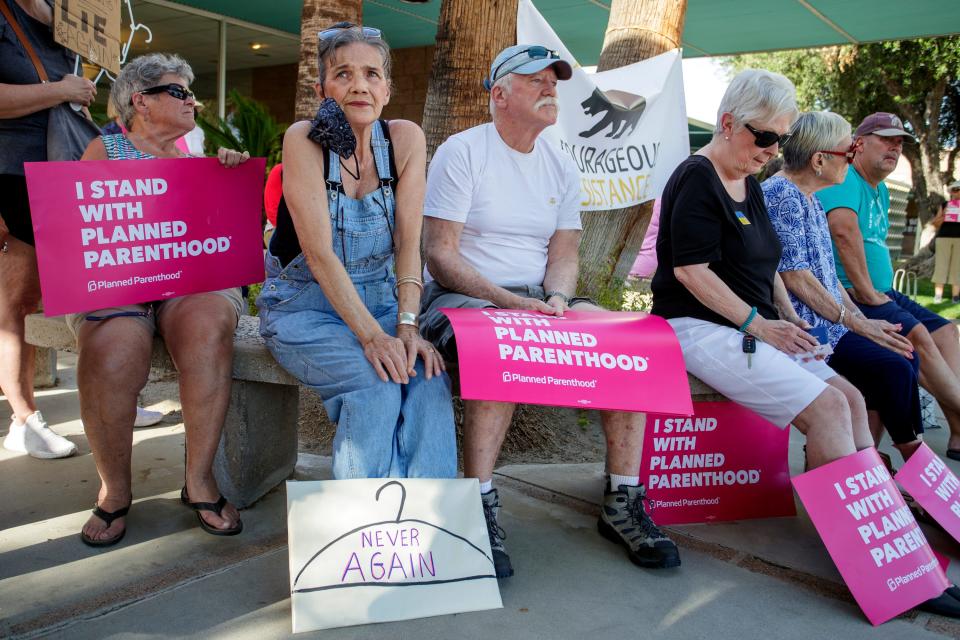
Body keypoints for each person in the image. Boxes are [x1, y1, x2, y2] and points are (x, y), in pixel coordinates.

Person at [420, 44, 680, 579]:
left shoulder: (561, 165)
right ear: (500, 94)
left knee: (632, 344)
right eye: (535, 80)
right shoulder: (463, 151)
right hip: (463, 299)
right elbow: (440, 255)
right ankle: (479, 504)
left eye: (554, 81)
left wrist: (558, 298)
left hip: (537, 298)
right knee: (499, 349)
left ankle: (622, 499)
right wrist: (509, 302)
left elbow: (564, 254)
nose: (550, 89)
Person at [256, 24, 456, 481]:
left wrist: (407, 327)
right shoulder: (304, 139)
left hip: (381, 300)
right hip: (304, 305)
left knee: (428, 379)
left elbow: (409, 243)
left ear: (387, 88)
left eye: (371, 74)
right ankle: (365, 531)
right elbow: (319, 253)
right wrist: (373, 338)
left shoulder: (405, 139)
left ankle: (430, 528)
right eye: (343, 74)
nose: (359, 85)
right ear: (322, 88)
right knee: (375, 388)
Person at [71, 53, 249, 546]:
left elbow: (217, 240)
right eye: (179, 91)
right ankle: (114, 492)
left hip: (184, 282)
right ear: (140, 101)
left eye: (190, 90)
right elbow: (86, 238)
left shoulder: (199, 160)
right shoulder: (103, 152)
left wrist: (226, 179)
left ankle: (199, 480)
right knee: (112, 347)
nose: (192, 99)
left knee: (209, 323)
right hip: (121, 286)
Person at [763, 111, 924, 462]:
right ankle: (908, 457)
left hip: (828, 325)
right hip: (807, 330)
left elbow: (827, 275)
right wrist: (857, 323)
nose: (852, 161)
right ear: (819, 159)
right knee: (894, 365)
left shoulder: (809, 195)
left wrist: (860, 318)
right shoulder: (782, 194)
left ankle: (875, 459)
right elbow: (796, 278)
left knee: (902, 354)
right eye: (848, 153)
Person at [819, 113, 960, 460]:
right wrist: (867, 292)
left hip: (883, 290)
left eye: (899, 143)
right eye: (886, 139)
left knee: (947, 334)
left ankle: (958, 431)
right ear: (859, 143)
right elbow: (843, 234)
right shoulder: (848, 177)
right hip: (855, 293)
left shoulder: (878, 188)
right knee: (917, 341)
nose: (895, 148)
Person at [0, 0, 96, 458]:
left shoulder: (65, 16)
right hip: (10, 170)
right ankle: (23, 418)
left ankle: (109, 391)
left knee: (70, 288)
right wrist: (60, 90)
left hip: (60, 164)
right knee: (17, 298)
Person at [931, 180, 960, 303]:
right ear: (951, 192)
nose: (957, 192)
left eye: (958, 189)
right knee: (941, 265)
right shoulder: (944, 205)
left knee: (957, 267)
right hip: (943, 238)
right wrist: (944, 215)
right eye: (954, 189)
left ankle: (955, 297)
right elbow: (935, 224)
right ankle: (938, 296)